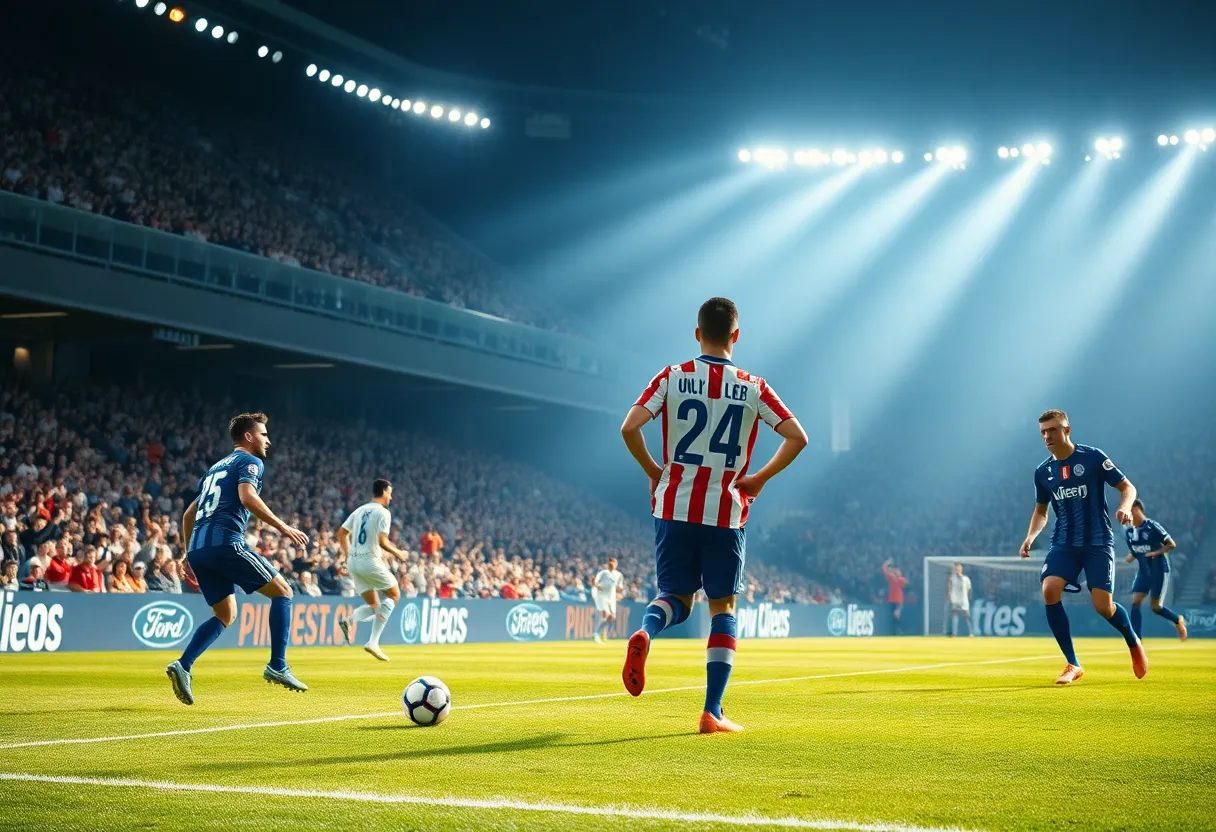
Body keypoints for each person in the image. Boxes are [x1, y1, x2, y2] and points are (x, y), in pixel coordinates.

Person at [619, 297, 807, 734]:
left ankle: (648, 629)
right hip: (725, 512)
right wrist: (758, 478)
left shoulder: (672, 376)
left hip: (674, 506)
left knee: (675, 598)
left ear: (697, 333)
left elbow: (629, 427)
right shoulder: (754, 386)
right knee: (722, 607)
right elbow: (798, 437)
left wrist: (654, 472)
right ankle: (712, 712)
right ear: (736, 336)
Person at [165, 412, 310, 705]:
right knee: (283, 592)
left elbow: (188, 514)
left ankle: (184, 664)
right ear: (248, 436)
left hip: (200, 550)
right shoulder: (250, 462)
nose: (268, 440)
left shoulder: (215, 468)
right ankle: (278, 665)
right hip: (226, 544)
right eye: (264, 434)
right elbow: (246, 497)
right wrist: (283, 527)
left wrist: (186, 553)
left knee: (225, 614)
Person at [1019, 410, 1145, 685]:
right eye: (1042, 432)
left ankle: (1132, 640)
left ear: (1067, 429)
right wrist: (1030, 536)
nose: (1047, 436)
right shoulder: (1043, 472)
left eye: (1052, 430)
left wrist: (1124, 507)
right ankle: (1072, 663)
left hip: (1098, 542)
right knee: (1049, 589)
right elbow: (1041, 511)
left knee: (1103, 606)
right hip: (1064, 542)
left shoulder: (1093, 458)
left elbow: (1128, 488)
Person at [336, 479, 406, 661]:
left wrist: (348, 554)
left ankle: (349, 620)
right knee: (394, 595)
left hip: (354, 562)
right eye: (390, 493)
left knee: (376, 606)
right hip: (369, 561)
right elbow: (383, 541)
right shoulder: (383, 513)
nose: (391, 497)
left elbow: (341, 533)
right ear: (383, 492)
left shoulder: (359, 510)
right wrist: (398, 553)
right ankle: (373, 642)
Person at [1124, 499, 1187, 641]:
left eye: (1128, 510)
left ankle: (1177, 620)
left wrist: (1155, 553)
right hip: (1143, 571)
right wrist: (1130, 557)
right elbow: (1136, 551)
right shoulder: (1129, 532)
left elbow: (1171, 544)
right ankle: (1137, 641)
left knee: (1156, 607)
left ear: (1136, 509)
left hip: (1159, 569)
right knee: (1135, 601)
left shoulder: (1153, 527)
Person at [591, 557, 624, 643]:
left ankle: (600, 634)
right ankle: (597, 634)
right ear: (608, 564)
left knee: (612, 617)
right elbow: (595, 582)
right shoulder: (602, 573)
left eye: (613, 564)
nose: (612, 565)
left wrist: (620, 589)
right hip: (602, 596)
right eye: (610, 564)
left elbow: (619, 587)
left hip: (611, 598)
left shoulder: (619, 575)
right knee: (607, 615)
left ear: (616, 564)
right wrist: (596, 585)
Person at [946, 563, 974, 637]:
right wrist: (949, 596)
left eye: (958, 568)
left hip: (964, 600)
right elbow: (949, 587)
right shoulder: (952, 578)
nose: (957, 570)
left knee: (967, 616)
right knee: (955, 616)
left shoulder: (966, 579)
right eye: (956, 569)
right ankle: (954, 633)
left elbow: (969, 589)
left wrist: (968, 597)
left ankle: (971, 632)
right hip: (956, 600)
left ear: (961, 569)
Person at [881, 559, 909, 634]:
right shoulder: (892, 578)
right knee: (893, 617)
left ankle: (902, 630)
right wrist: (887, 563)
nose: (896, 571)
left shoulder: (901, 579)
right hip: (891, 601)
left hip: (898, 601)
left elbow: (906, 585)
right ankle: (896, 632)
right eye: (895, 570)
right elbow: (884, 569)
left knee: (896, 614)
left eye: (898, 570)